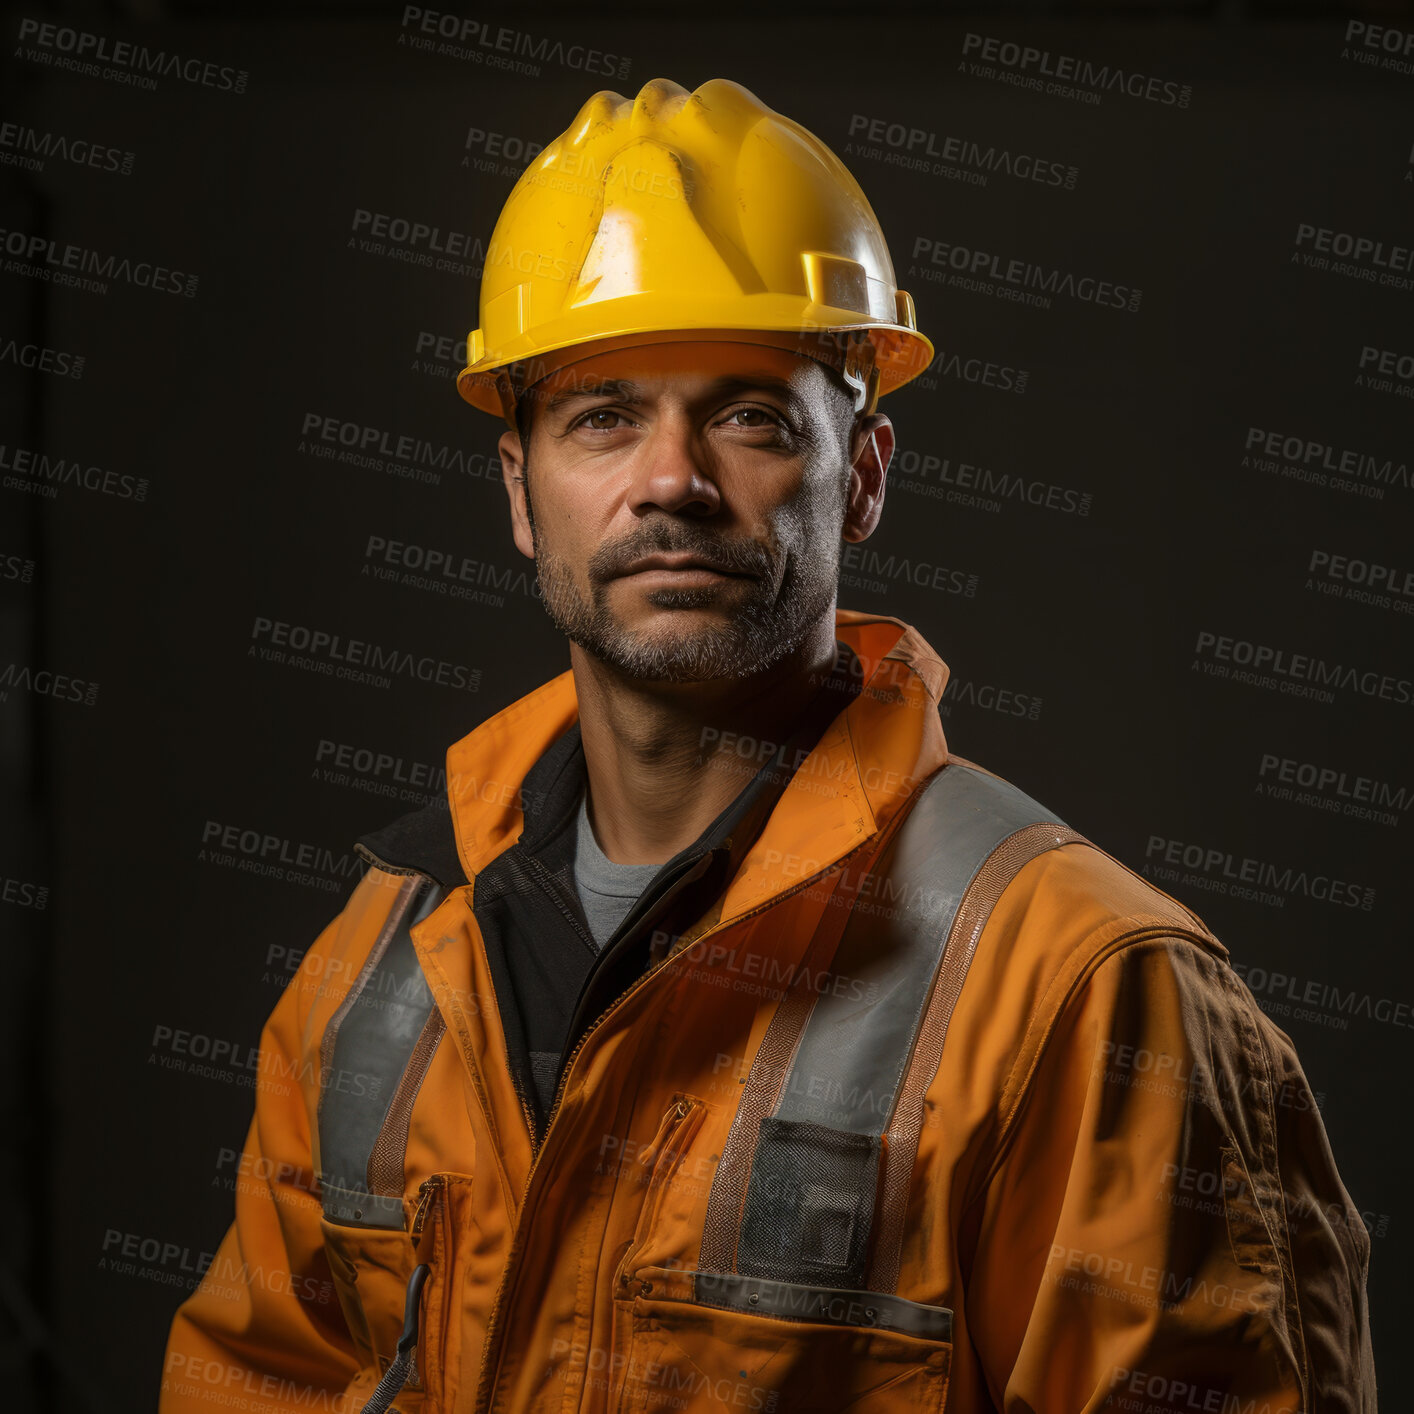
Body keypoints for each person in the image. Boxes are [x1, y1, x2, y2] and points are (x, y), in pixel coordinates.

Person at [160, 76, 1376, 1414]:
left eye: (748, 416)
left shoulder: (1084, 989)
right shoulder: (379, 963)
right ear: (519, 490)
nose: (671, 477)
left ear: (859, 476)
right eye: (602, 413)